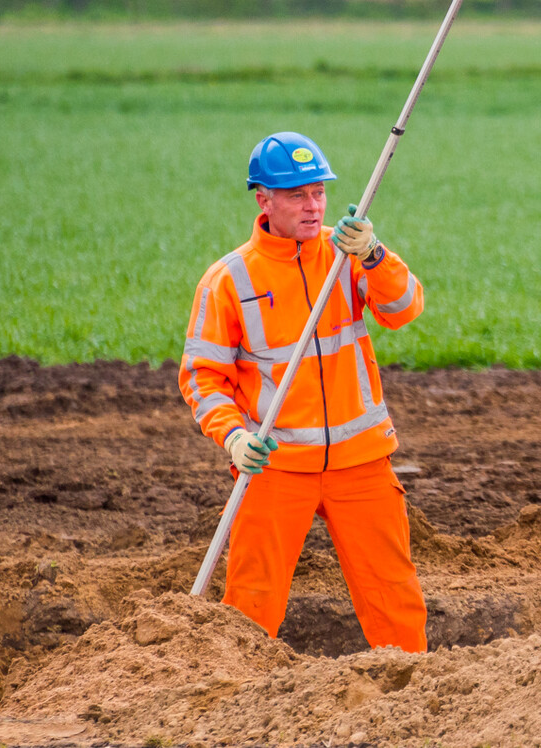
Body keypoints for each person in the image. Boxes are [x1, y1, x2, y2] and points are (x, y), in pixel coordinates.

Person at [178, 131, 427, 652]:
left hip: (360, 461)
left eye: (319, 192)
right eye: (297, 195)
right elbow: (202, 378)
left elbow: (404, 309)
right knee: (250, 606)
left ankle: (416, 702)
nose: (313, 207)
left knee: (395, 598)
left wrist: (376, 254)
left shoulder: (348, 253)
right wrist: (234, 438)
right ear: (263, 200)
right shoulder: (228, 280)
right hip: (275, 465)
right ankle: (237, 705)